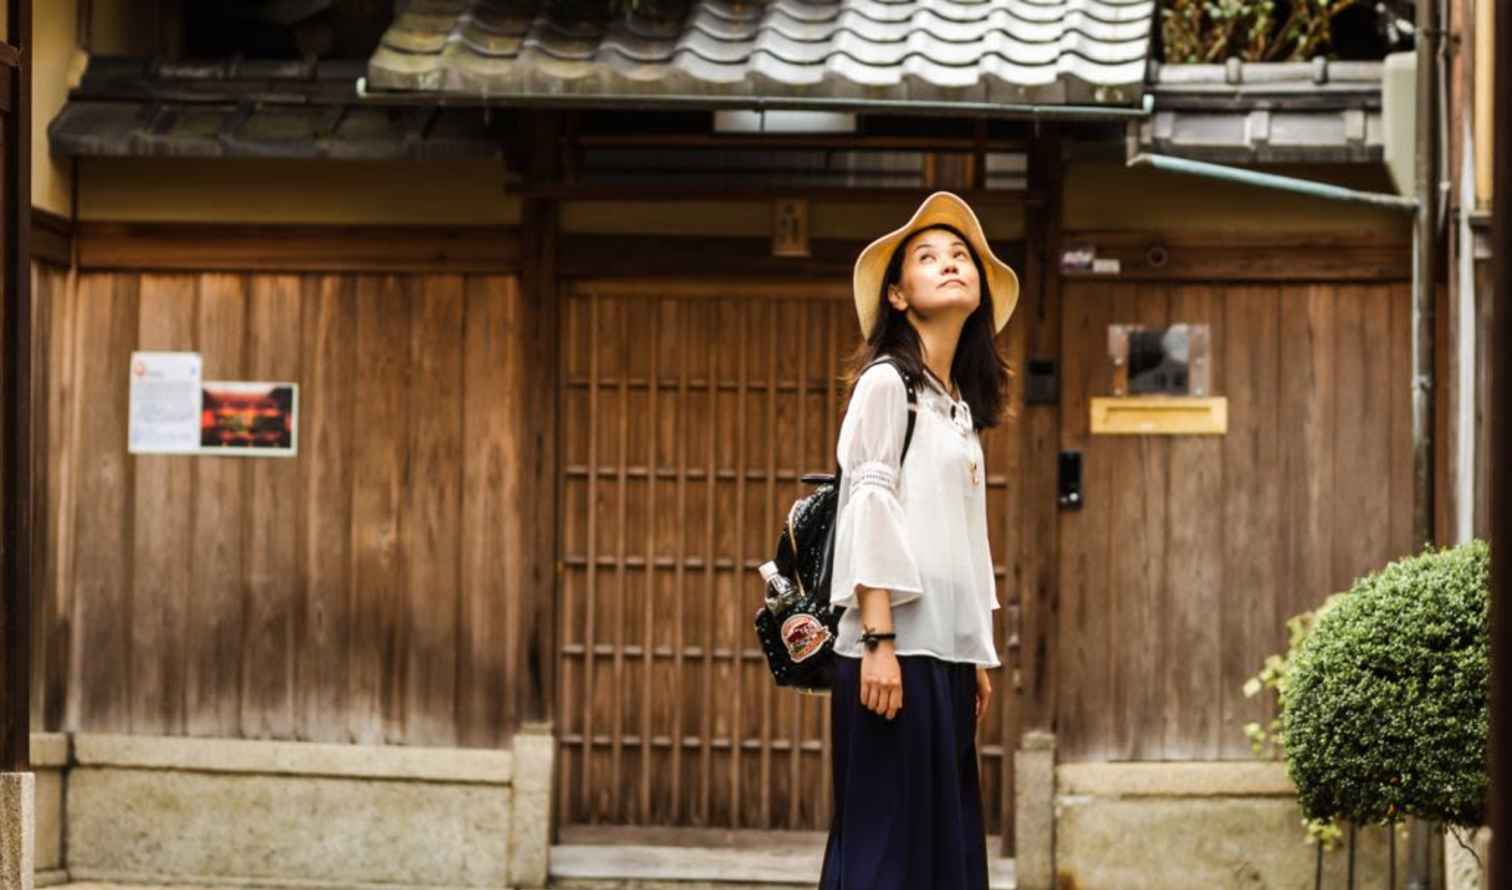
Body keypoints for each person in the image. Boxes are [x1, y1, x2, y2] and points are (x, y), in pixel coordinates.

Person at [819, 191, 1019, 890]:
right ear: (899, 295)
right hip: (891, 651)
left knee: (944, 851)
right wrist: (877, 643)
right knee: (884, 855)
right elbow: (869, 510)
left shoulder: (955, 405)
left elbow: (962, 541)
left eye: (961, 255)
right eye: (928, 258)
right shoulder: (886, 386)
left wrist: (975, 653)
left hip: (943, 657)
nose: (951, 264)